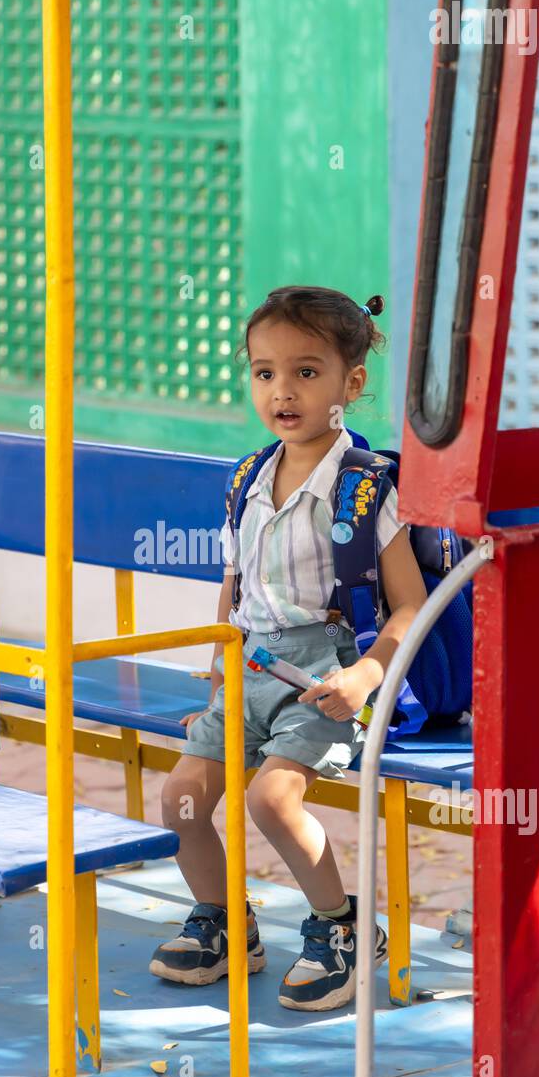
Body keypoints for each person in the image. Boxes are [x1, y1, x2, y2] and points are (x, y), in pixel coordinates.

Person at [149, 285, 427, 1011]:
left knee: (270, 799)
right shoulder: (246, 479)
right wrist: (215, 687)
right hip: (246, 668)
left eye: (306, 371)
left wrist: (365, 677)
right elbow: (233, 589)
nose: (282, 390)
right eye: (264, 372)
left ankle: (342, 927)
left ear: (350, 383)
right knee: (180, 798)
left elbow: (409, 605)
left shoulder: (365, 487)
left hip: (324, 671)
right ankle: (223, 923)